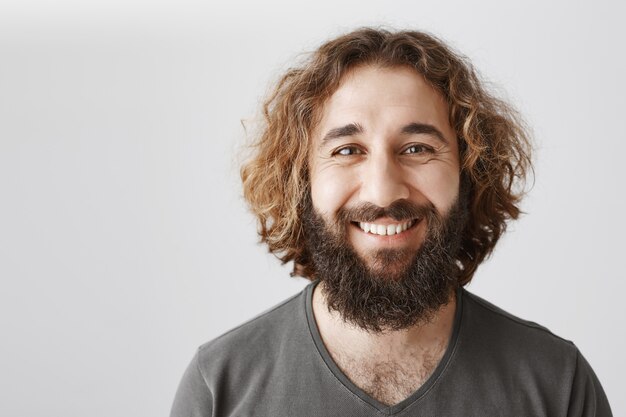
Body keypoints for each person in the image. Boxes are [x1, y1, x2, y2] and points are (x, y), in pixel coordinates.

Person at [170, 28, 612, 416]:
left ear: (469, 170)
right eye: (347, 150)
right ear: (299, 181)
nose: (383, 191)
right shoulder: (219, 387)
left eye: (417, 148)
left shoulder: (558, 384)